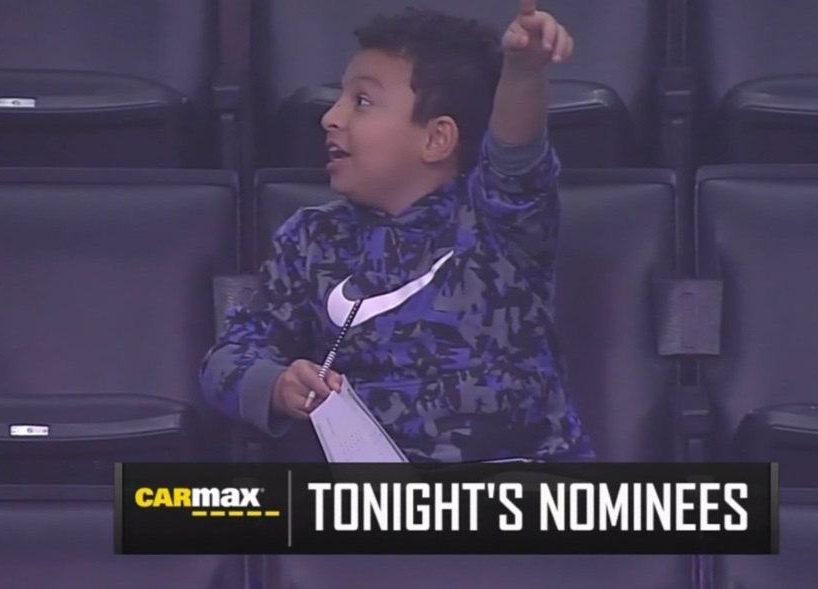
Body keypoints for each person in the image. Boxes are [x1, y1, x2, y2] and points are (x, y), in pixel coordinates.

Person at [201, 0, 594, 462]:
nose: (332, 117)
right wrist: (277, 384)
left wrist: (524, 71)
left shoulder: (498, 220)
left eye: (362, 101)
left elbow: (516, 155)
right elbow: (227, 360)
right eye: (340, 97)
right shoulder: (312, 239)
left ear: (436, 139)